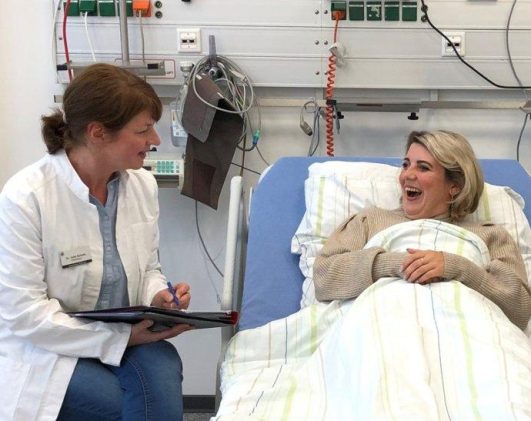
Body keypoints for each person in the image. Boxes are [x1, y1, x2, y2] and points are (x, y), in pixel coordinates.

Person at [0, 63, 192, 421]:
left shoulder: (141, 186)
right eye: (143, 130)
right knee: (127, 407)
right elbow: (25, 315)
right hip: (52, 347)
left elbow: (149, 268)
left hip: (128, 335)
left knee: (163, 371)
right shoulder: (27, 197)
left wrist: (158, 296)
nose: (155, 140)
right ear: (98, 133)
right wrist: (117, 340)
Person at [313, 130, 531, 331]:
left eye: (423, 167)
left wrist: (456, 267)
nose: (407, 175)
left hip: (466, 331)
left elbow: (519, 310)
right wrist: (394, 264)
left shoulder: (490, 235)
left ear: (454, 186)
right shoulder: (369, 220)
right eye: (406, 165)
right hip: (381, 327)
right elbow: (323, 279)